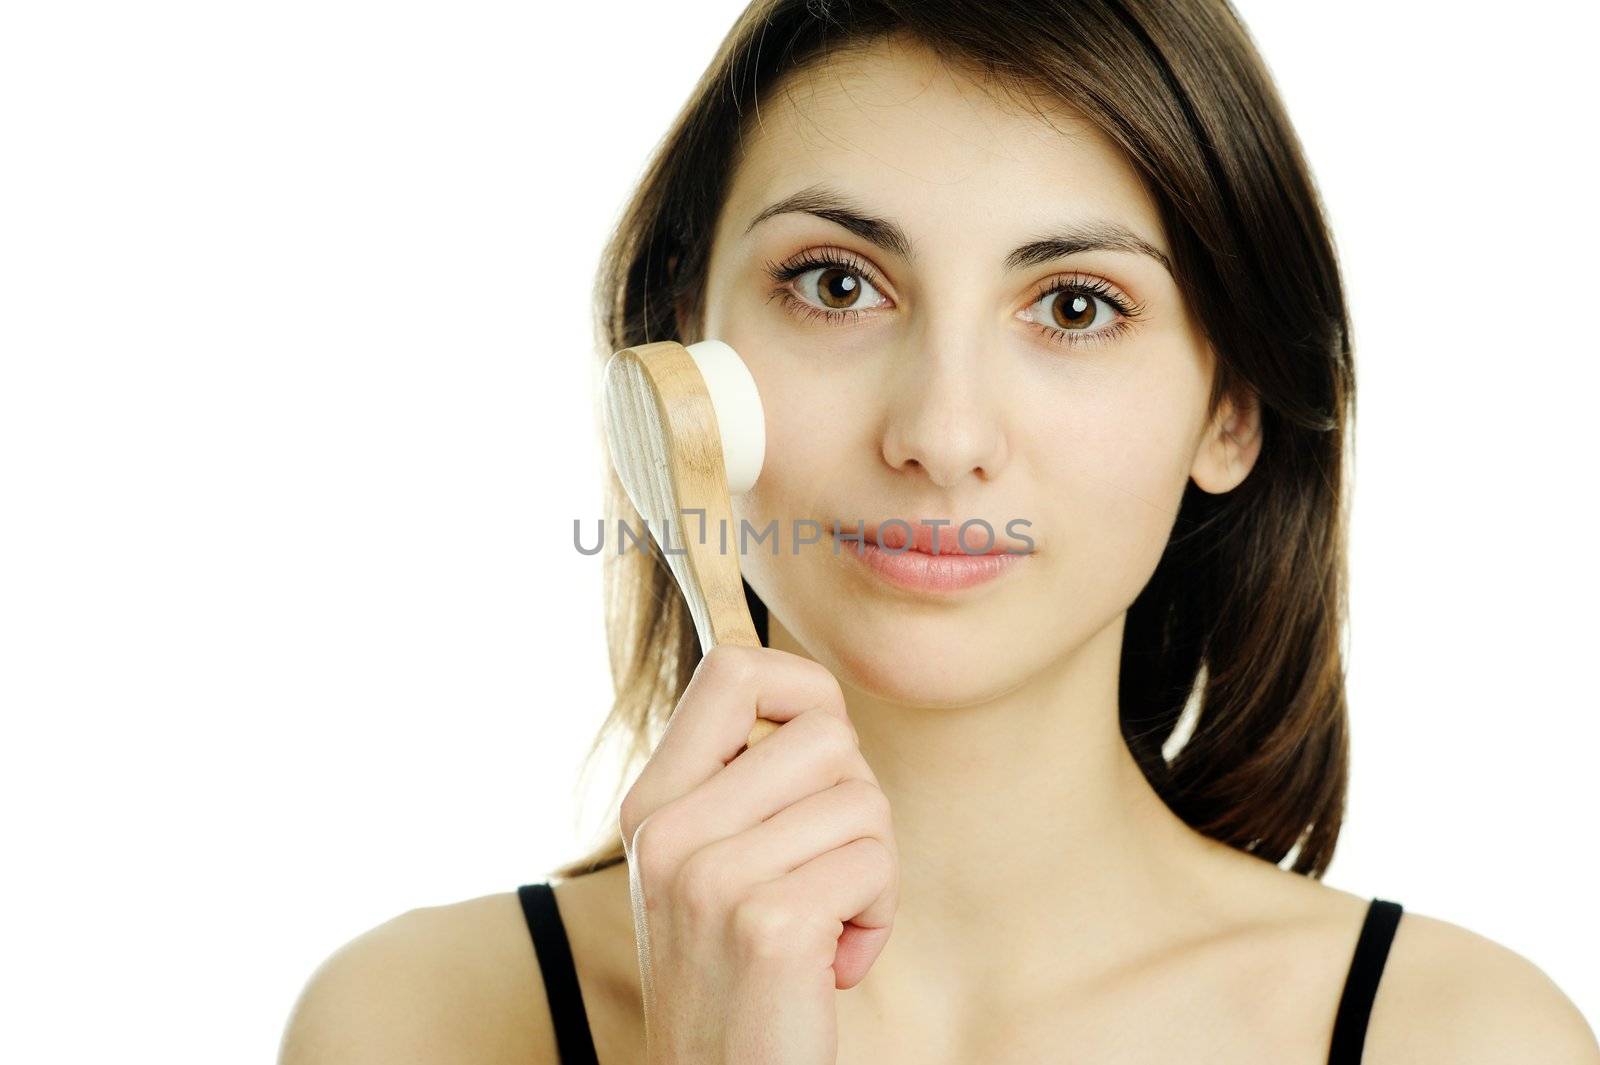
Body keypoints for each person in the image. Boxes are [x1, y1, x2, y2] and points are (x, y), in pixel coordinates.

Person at [278, 2, 1599, 1062]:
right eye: (838, 284)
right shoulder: (413, 1026)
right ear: (687, 355)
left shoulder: (1464, 1039)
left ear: (1231, 408)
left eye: (1075, 307)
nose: (943, 429)